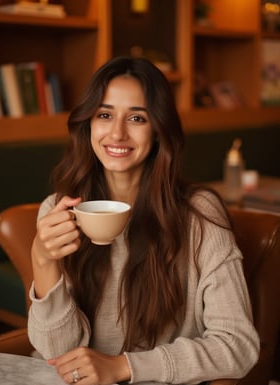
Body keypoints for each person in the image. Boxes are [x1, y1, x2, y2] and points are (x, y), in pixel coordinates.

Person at [28, 56, 259, 385]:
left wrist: (123, 366)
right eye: (105, 115)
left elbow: (238, 345)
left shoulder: (198, 214)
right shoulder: (58, 210)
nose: (117, 133)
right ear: (88, 124)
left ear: (158, 129)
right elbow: (58, 353)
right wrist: (43, 260)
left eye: (136, 117)